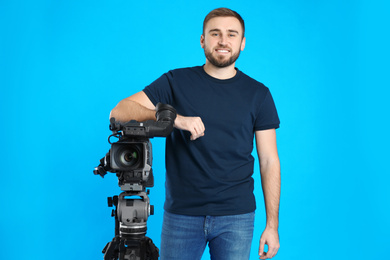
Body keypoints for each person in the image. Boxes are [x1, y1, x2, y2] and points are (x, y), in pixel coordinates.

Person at [110, 7, 281, 260]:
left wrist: (272, 226)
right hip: (182, 215)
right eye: (215, 33)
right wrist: (173, 118)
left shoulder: (259, 94)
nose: (223, 41)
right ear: (203, 40)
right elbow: (119, 111)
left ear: (242, 43)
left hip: (236, 216)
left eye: (232, 34)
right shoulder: (175, 81)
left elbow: (269, 160)